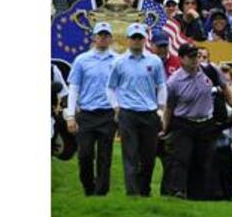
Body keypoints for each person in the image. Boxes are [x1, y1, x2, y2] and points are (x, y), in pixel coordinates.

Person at [162, 42, 232, 199]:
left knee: (204, 160)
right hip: (184, 122)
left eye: (196, 56)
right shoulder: (174, 82)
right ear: (181, 59)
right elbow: (169, 107)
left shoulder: (210, 70)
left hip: (206, 122)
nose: (195, 60)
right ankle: (178, 191)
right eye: (191, 57)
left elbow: (225, 86)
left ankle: (198, 194)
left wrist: (231, 103)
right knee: (181, 158)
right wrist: (165, 127)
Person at [106, 23, 166, 196]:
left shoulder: (154, 61)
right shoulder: (119, 62)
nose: (137, 41)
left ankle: (144, 189)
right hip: (128, 113)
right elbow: (110, 87)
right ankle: (132, 193)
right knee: (130, 155)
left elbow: (161, 85)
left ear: (144, 40)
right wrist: (116, 107)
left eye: (140, 38)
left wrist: (161, 109)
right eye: (134, 38)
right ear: (128, 40)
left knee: (148, 157)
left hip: (149, 113)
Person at [64, 22, 118, 196]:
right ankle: (89, 187)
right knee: (85, 155)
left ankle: (101, 193)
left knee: (105, 157)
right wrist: (70, 116)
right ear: (94, 37)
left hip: (108, 114)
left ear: (111, 38)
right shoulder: (82, 60)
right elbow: (74, 88)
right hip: (86, 114)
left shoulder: (118, 61)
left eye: (106, 35)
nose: (103, 38)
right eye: (100, 35)